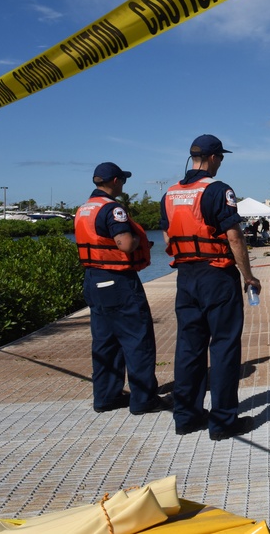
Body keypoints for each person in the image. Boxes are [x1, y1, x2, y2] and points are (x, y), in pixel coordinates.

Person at [161, 135, 261, 441]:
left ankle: (186, 417)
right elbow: (234, 237)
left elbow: (167, 240)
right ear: (214, 157)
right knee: (224, 347)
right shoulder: (218, 190)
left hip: (186, 277)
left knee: (188, 349)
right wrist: (248, 276)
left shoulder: (170, 193)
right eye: (221, 158)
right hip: (217, 275)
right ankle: (222, 423)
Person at [75, 162, 171, 415]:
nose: (124, 185)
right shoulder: (112, 209)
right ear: (115, 181)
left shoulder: (84, 208)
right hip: (117, 281)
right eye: (123, 180)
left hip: (93, 279)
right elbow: (125, 244)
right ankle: (144, 400)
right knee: (137, 340)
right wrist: (141, 240)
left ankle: (106, 397)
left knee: (105, 342)